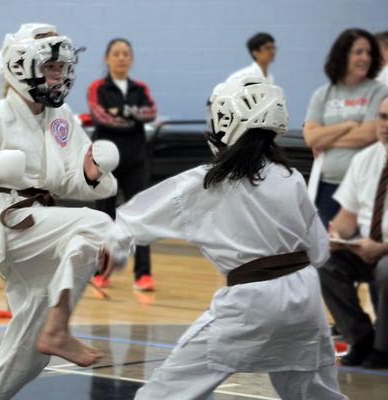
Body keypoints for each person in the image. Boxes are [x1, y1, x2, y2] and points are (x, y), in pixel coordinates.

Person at [100, 76, 346, 399]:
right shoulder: (290, 177)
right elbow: (320, 251)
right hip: (305, 299)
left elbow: (134, 219)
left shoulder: (206, 182)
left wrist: (111, 248)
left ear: (226, 120)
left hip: (251, 303)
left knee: (162, 395)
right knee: (315, 394)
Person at [0, 23, 120, 400]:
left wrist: (90, 173)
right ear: (22, 67)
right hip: (11, 220)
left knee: (31, 354)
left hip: (47, 223)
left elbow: (68, 182)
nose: (61, 75)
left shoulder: (62, 117)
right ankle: (60, 328)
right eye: (53, 67)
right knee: (99, 226)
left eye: (64, 68)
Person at [318, 96, 388, 370]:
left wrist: (382, 249)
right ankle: (360, 338)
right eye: (382, 117)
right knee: (325, 260)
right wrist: (334, 237)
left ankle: (384, 349)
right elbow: (347, 217)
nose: (385, 125)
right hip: (368, 248)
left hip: (384, 253)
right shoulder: (365, 159)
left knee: (386, 268)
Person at [87, 38, 157, 291]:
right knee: (104, 217)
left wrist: (122, 112)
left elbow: (151, 113)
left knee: (141, 217)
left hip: (136, 162)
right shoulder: (97, 87)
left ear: (132, 59)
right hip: (106, 166)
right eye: (116, 53)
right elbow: (102, 117)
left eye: (126, 53)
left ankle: (143, 275)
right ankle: (100, 271)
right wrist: (131, 116)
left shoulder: (141, 88)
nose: (121, 58)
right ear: (107, 58)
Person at [304, 28, 388, 229]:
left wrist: (327, 139)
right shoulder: (323, 94)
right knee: (329, 247)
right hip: (327, 186)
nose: (365, 58)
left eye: (369, 53)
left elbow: (368, 134)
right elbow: (310, 137)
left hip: (365, 188)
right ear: (342, 55)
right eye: (358, 52)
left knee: (361, 248)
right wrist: (347, 125)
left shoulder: (379, 91)